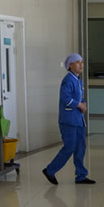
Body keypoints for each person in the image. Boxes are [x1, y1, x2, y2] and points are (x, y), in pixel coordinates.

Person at [43, 53, 95, 185]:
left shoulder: (78, 80)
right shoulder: (68, 80)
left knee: (80, 148)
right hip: (69, 120)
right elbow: (65, 98)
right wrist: (79, 105)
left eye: (82, 62)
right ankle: (50, 170)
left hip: (78, 120)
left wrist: (83, 103)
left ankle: (81, 175)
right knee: (70, 147)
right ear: (70, 65)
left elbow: (80, 96)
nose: (81, 65)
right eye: (77, 62)